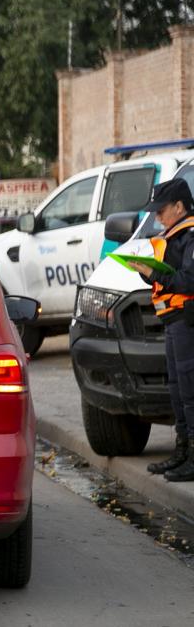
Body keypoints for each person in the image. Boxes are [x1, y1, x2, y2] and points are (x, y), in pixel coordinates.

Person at [129, 179, 194, 482]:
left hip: (186, 321)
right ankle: (182, 452)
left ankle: (192, 458)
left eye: (162, 210)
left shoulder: (190, 236)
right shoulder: (171, 235)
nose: (157, 217)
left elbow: (189, 282)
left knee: (190, 391)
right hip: (172, 321)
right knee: (177, 390)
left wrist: (153, 272)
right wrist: (146, 273)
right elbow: (167, 280)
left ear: (180, 207)